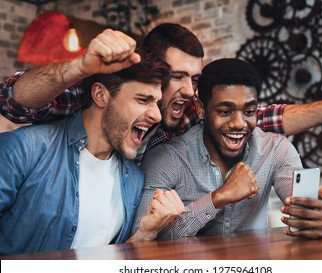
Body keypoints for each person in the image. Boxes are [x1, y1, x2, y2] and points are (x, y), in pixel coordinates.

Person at [0, 24, 322, 161]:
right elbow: (11, 101)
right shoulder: (102, 94)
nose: (188, 91)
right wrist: (80, 65)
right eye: (177, 76)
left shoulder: (189, 108)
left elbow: (263, 118)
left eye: (194, 79)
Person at [0, 49, 184, 255]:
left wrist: (146, 233)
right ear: (100, 96)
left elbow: (108, 257)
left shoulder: (133, 179)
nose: (157, 116)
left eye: (157, 104)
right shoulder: (25, 148)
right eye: (143, 100)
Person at [131, 58, 322, 239]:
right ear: (202, 110)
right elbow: (146, 235)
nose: (239, 123)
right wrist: (217, 198)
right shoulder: (168, 158)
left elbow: (305, 206)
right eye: (225, 111)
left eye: (249, 111)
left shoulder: (275, 149)